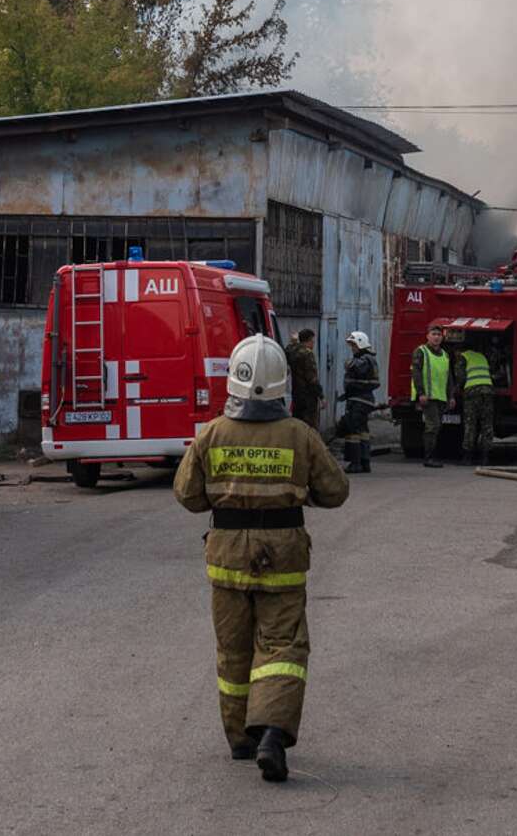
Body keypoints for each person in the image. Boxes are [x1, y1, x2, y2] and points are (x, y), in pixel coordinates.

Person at [173, 334, 350, 783]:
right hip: (284, 561)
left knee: (233, 649)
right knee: (282, 648)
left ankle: (240, 740)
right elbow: (336, 492)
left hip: (226, 560)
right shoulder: (300, 435)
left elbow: (188, 496)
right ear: (281, 384)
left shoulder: (211, 433)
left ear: (234, 380)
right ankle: (272, 732)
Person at [337, 331, 380, 474]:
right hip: (362, 399)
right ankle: (365, 462)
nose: (352, 348)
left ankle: (355, 464)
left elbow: (355, 367)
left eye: (353, 345)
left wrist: (348, 363)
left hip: (359, 400)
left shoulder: (364, 359)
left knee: (353, 430)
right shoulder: (369, 358)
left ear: (360, 343)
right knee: (362, 431)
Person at [410, 323, 451, 468]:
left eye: (439, 335)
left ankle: (433, 455)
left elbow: (448, 377)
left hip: (440, 397)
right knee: (432, 426)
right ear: (427, 336)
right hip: (428, 397)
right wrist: (421, 393)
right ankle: (429, 457)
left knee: (437, 427)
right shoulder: (421, 352)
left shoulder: (445, 355)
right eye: (433, 334)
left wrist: (450, 396)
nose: (436, 337)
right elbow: (416, 373)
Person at [452, 338, 496, 467]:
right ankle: (485, 458)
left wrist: (455, 390)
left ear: (459, 350)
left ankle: (468, 457)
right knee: (487, 424)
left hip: (472, 392)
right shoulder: (481, 356)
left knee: (471, 423)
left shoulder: (462, 357)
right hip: (488, 390)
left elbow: (460, 377)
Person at [284, 329, 323, 432]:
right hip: (308, 397)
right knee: (310, 426)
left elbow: (288, 349)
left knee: (298, 424)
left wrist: (293, 342)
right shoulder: (307, 354)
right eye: (312, 341)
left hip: (296, 394)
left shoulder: (292, 351)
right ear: (309, 340)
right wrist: (321, 396)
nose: (313, 344)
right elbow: (312, 379)